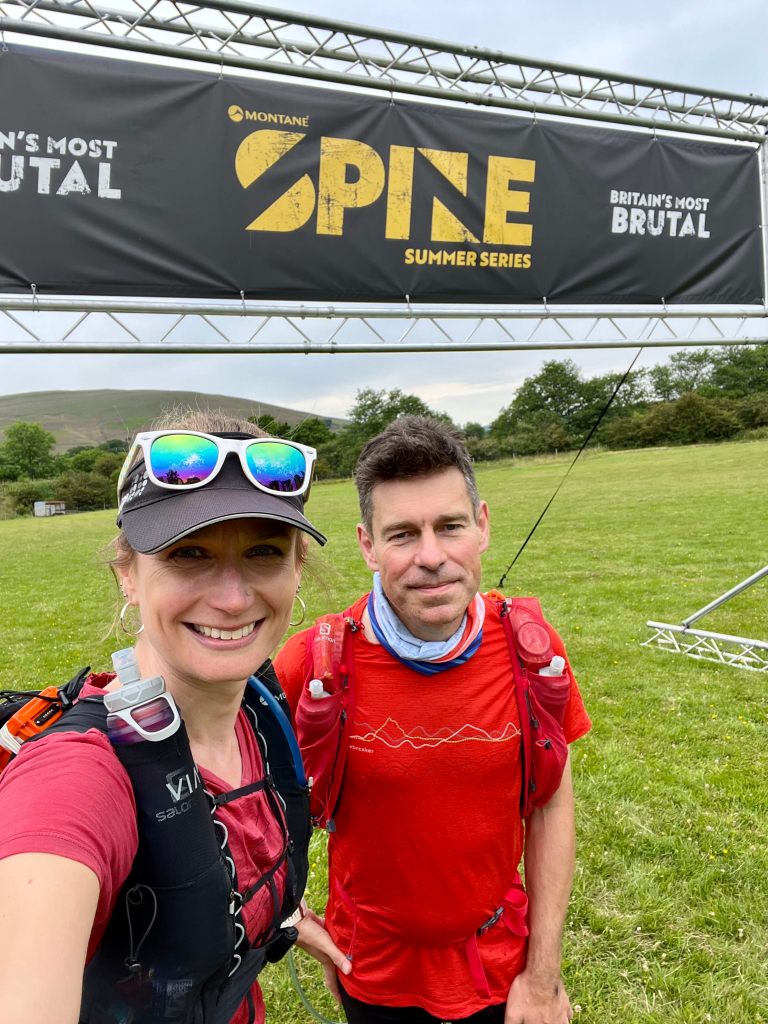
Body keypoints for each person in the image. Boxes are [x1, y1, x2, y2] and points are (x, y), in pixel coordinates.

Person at [0, 410, 348, 1024]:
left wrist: (281, 919)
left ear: (297, 568)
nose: (233, 598)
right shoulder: (78, 775)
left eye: (264, 552)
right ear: (128, 575)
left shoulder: (257, 709)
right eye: (189, 554)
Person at [275, 415, 592, 1024]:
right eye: (402, 534)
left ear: (482, 525)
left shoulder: (532, 650)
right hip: (370, 970)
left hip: (501, 965)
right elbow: (236, 798)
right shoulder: (313, 663)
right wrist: (286, 916)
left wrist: (543, 973)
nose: (431, 557)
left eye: (450, 526)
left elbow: (551, 804)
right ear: (368, 545)